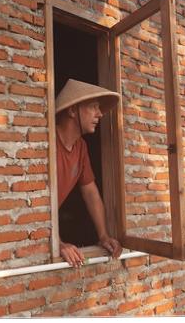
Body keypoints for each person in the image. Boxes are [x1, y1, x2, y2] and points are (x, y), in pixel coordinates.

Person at [55, 79, 123, 267]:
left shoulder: (81, 147)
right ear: (72, 110)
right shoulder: (48, 141)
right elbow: (39, 201)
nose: (100, 114)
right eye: (93, 107)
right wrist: (57, 243)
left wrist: (103, 235)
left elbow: (90, 192)